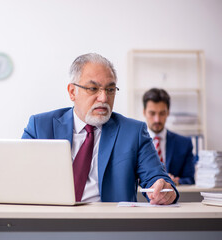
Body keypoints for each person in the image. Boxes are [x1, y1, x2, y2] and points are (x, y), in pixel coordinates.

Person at [22, 53, 178, 205]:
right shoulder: (40, 126)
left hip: (109, 224)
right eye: (93, 88)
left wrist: (163, 188)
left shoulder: (133, 132)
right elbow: (18, 176)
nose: (103, 98)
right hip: (51, 220)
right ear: (72, 92)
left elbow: (156, 178)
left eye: (110, 90)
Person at [142, 88, 195, 185]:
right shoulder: (135, 143)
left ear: (168, 112)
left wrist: (177, 181)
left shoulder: (184, 143)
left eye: (162, 113)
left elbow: (190, 179)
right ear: (144, 112)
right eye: (152, 113)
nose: (157, 119)